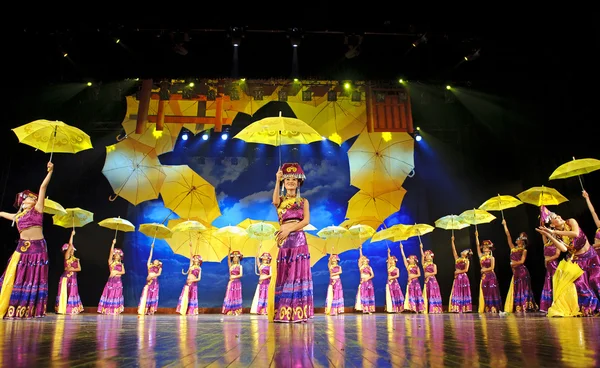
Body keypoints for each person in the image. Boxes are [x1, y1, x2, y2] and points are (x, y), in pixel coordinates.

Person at [0, 161, 54, 319]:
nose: (31, 198)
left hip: (38, 249)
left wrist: (50, 171)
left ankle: (29, 308)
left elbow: (42, 188)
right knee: (15, 276)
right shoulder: (18, 216)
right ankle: (11, 306)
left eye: (33, 198)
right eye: (29, 198)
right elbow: (3, 213)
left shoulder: (38, 210)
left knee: (34, 278)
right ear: (22, 202)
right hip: (22, 250)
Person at [268, 163, 314, 323]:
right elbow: (274, 201)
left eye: (294, 179)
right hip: (285, 242)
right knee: (285, 274)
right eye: (287, 179)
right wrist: (277, 179)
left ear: (299, 182)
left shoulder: (303, 202)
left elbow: (306, 221)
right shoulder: (279, 201)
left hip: (299, 240)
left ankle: (298, 313)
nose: (291, 181)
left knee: (298, 275)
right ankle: (284, 311)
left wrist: (289, 230)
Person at [536, 206, 599, 316]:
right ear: (552, 224)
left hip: (591, 256)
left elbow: (575, 233)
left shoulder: (570, 222)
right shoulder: (558, 236)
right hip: (578, 260)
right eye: (554, 217)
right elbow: (564, 249)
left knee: (595, 280)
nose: (559, 216)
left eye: (557, 215)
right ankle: (589, 308)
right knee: (580, 284)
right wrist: (548, 234)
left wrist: (553, 231)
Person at [502, 219, 538, 313]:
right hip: (515, 272)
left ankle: (524, 306)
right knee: (517, 288)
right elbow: (508, 236)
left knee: (522, 288)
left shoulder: (524, 250)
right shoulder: (513, 248)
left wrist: (513, 263)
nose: (517, 239)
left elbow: (522, 261)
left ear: (522, 241)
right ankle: (518, 306)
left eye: (519, 238)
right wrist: (505, 225)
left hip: (522, 271)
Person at [55, 229, 84, 315]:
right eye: (70, 249)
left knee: (72, 292)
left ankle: (71, 309)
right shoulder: (67, 257)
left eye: (72, 249)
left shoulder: (76, 259)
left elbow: (79, 269)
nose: (72, 250)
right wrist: (72, 235)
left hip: (73, 278)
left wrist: (71, 269)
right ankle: (62, 309)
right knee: (64, 292)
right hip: (66, 278)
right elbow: (70, 244)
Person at [475, 232, 502, 313]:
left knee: (492, 291)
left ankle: (493, 307)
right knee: (485, 291)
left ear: (490, 250)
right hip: (484, 277)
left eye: (487, 248)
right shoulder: (481, 257)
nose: (485, 249)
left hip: (491, 276)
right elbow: (477, 246)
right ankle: (487, 307)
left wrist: (484, 270)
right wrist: (476, 236)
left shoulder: (492, 258)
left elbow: (492, 268)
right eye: (484, 248)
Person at [97, 239, 125, 315]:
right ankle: (107, 309)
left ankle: (115, 309)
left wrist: (116, 272)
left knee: (117, 294)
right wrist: (113, 244)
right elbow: (110, 252)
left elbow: (123, 272)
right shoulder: (111, 262)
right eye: (116, 254)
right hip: (111, 281)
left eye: (118, 255)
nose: (117, 255)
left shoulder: (121, 264)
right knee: (110, 294)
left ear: (120, 256)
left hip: (118, 281)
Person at [538, 224, 561, 314]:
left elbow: (557, 255)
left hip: (554, 265)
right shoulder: (546, 243)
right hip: (548, 266)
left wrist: (548, 259)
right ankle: (548, 305)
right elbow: (543, 235)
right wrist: (542, 223)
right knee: (549, 284)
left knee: (555, 284)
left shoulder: (557, 242)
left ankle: (556, 304)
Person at [176, 243, 202, 316]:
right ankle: (183, 309)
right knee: (186, 296)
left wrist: (192, 280)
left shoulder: (199, 268)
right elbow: (191, 255)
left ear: (199, 260)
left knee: (192, 296)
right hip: (187, 283)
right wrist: (191, 247)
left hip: (193, 283)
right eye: (195, 258)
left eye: (197, 258)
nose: (195, 259)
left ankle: (192, 311)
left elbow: (199, 278)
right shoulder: (191, 265)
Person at [449, 235, 473, 313]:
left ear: (467, 254)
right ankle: (457, 307)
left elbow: (466, 270)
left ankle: (464, 307)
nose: (463, 251)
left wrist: (457, 272)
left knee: (463, 291)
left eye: (466, 251)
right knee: (457, 291)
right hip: (457, 278)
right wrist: (452, 241)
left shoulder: (466, 260)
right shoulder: (457, 259)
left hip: (463, 277)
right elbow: (454, 250)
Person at [137, 243, 162, 315]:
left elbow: (159, 274)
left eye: (157, 261)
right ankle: (145, 309)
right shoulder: (149, 265)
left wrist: (153, 275)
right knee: (147, 295)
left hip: (154, 281)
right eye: (155, 260)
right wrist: (151, 248)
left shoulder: (159, 268)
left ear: (158, 263)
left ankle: (151, 310)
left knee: (153, 295)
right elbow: (150, 256)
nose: (156, 261)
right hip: (149, 281)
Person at [400, 243, 425, 313]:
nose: (410, 260)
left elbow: (419, 274)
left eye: (411, 259)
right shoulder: (408, 266)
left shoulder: (416, 267)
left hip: (415, 282)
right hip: (410, 282)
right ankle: (411, 308)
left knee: (417, 294)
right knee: (410, 294)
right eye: (409, 259)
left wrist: (412, 276)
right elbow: (403, 257)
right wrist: (401, 249)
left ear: (414, 260)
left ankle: (418, 308)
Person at [420, 244, 443, 313]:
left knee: (433, 294)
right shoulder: (424, 264)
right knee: (427, 294)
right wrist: (421, 248)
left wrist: (428, 274)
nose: (426, 256)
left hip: (432, 280)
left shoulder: (434, 265)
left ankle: (435, 308)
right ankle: (427, 308)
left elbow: (435, 272)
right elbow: (422, 256)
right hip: (427, 281)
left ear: (431, 256)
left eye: (428, 255)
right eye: (426, 255)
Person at [354, 246, 375, 314]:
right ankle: (364, 308)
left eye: (365, 259)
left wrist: (367, 278)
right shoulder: (361, 266)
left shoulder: (369, 267)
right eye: (363, 259)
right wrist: (360, 249)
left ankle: (369, 309)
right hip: (363, 281)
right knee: (363, 294)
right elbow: (360, 258)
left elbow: (372, 275)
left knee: (369, 294)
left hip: (368, 281)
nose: (363, 259)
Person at [222, 249, 243, 316]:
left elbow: (241, 275)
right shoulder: (231, 266)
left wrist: (234, 277)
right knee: (230, 295)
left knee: (236, 295)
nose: (235, 258)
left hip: (237, 282)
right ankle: (229, 310)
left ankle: (236, 310)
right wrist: (228, 251)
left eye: (236, 257)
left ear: (238, 258)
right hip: (231, 283)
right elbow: (228, 259)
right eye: (234, 257)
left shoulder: (240, 266)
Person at [385, 248, 404, 313]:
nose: (391, 261)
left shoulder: (397, 269)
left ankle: (398, 309)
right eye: (390, 260)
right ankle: (391, 308)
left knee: (396, 295)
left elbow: (398, 276)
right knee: (390, 295)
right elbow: (388, 260)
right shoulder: (389, 268)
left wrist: (392, 277)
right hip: (389, 283)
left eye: (392, 260)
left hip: (395, 283)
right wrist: (388, 253)